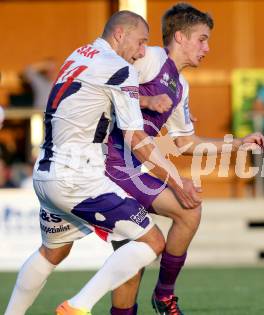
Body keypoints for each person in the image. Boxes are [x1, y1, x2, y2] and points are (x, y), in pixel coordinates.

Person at [5, 11, 200, 315]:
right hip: (78, 175)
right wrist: (177, 181)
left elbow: (91, 93)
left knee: (51, 253)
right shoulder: (119, 67)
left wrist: (146, 102)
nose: (141, 51)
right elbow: (138, 140)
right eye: (139, 42)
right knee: (152, 242)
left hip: (45, 172)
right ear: (120, 34)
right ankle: (79, 306)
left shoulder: (80, 54)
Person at [106, 4, 264, 315]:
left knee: (154, 238)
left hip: (129, 167)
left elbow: (185, 142)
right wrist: (146, 97)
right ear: (180, 37)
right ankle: (161, 297)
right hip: (107, 162)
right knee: (141, 246)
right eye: (202, 39)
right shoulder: (149, 57)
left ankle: (163, 296)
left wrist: (237, 145)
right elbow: (107, 84)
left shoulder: (181, 86)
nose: (207, 48)